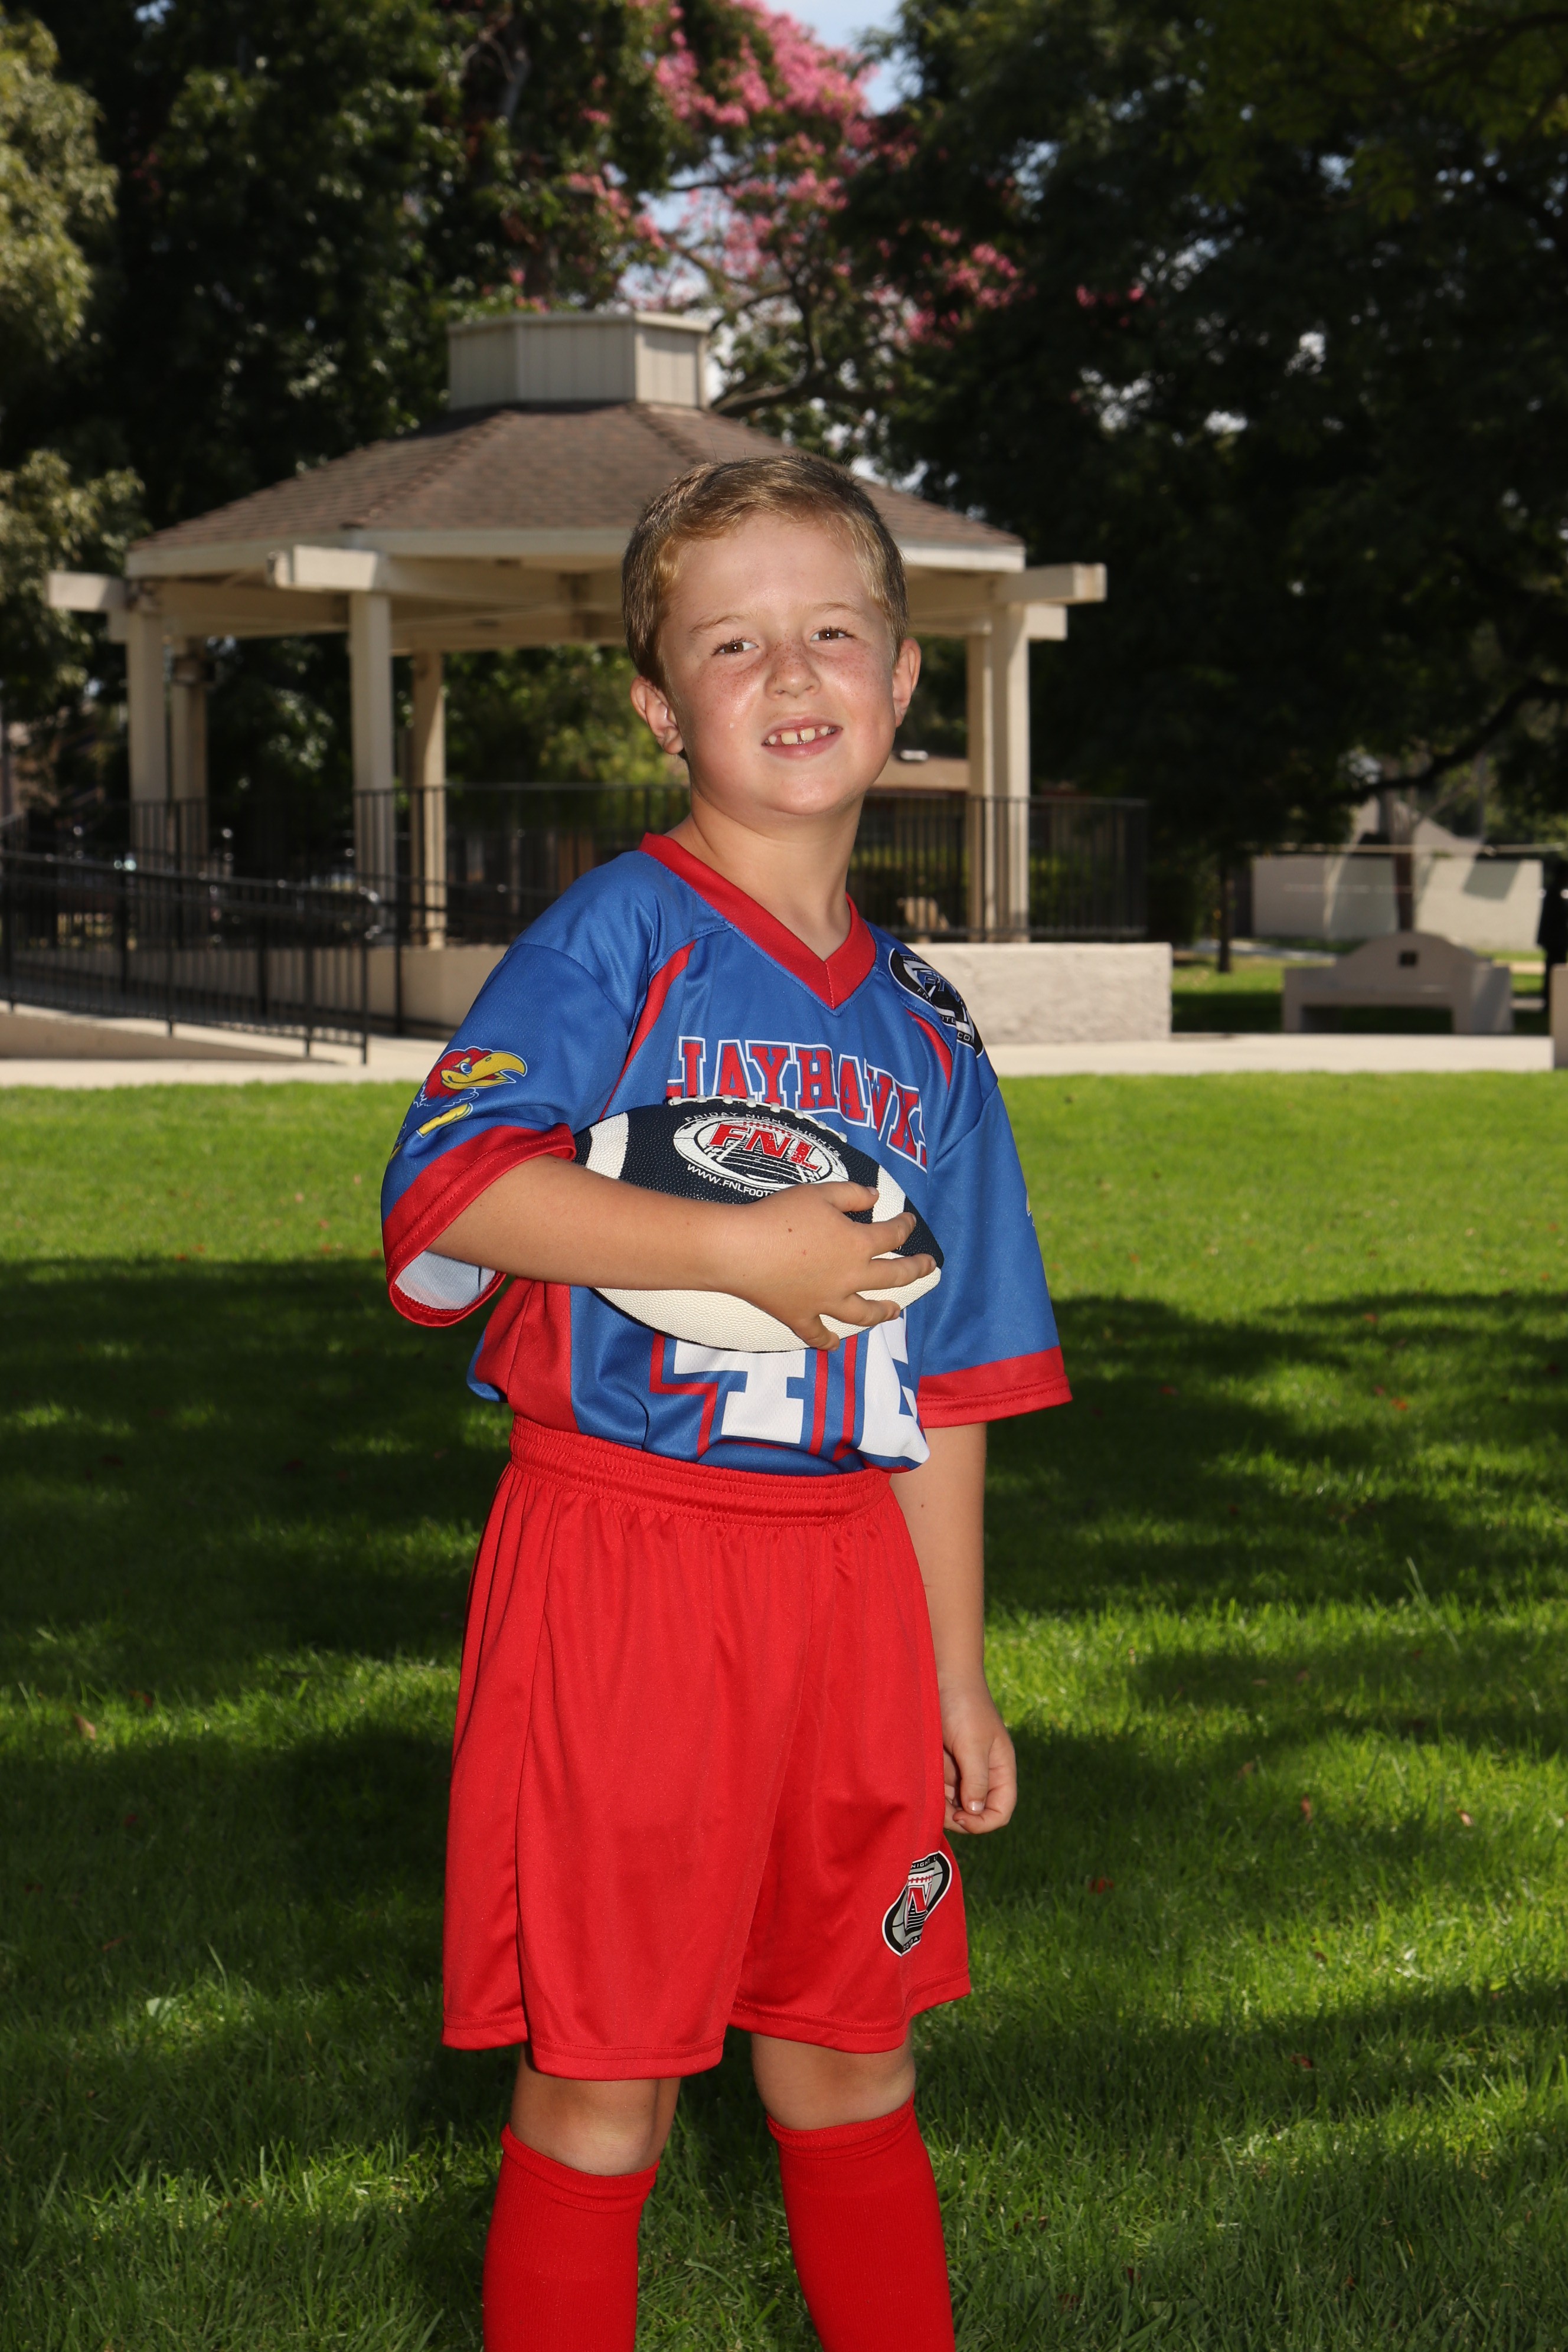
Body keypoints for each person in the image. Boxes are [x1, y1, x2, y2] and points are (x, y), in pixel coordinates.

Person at [380, 451, 1070, 2352]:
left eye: (831, 631)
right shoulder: (617, 935)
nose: (790, 673)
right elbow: (448, 1193)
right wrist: (730, 1251)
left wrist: (952, 1672)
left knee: (852, 2059)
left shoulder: (927, 1027)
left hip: (846, 1585)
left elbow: (948, 1385)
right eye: (733, 642)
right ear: (656, 702)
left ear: (904, 675)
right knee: (604, 2079)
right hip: (624, 1558)